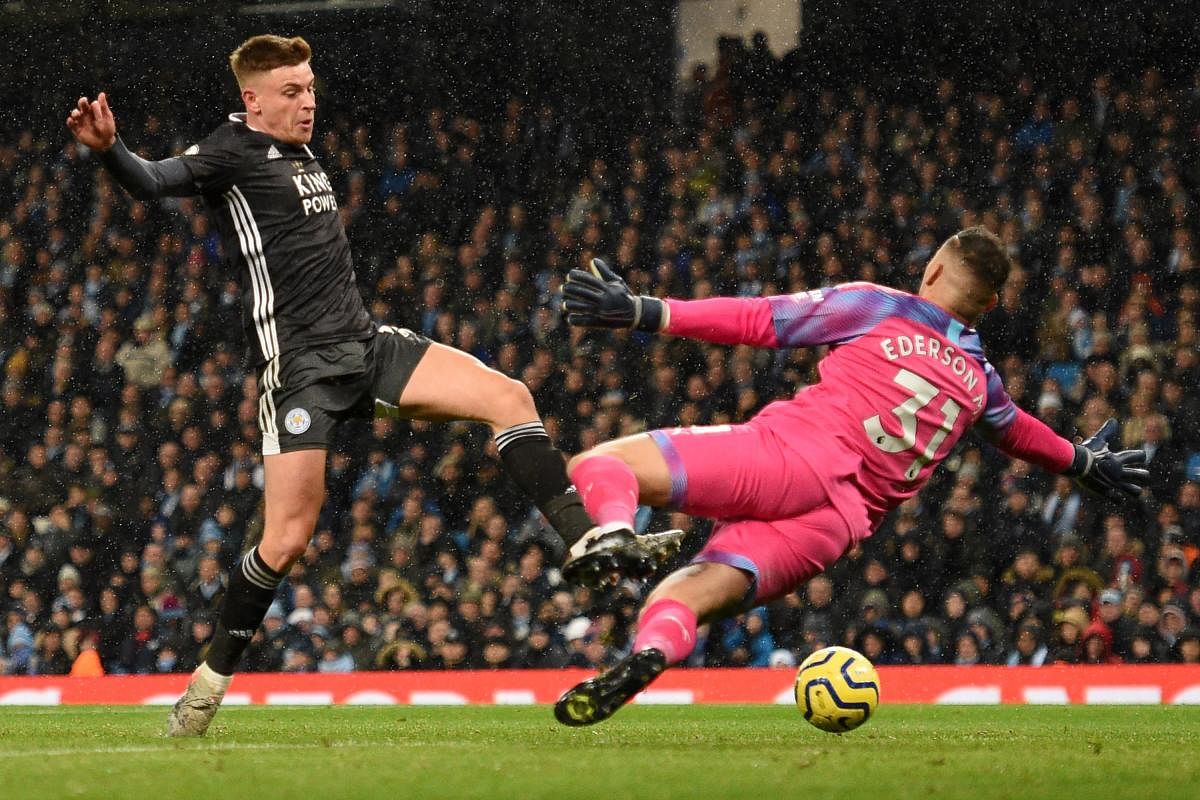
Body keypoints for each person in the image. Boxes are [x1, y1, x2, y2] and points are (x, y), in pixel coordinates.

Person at [66, 34, 680, 736]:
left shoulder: (299, 152)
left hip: (366, 346)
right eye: (292, 92)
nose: (307, 103)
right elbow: (151, 181)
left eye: (311, 88)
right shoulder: (228, 152)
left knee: (508, 397)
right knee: (286, 540)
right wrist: (110, 148)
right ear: (253, 100)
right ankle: (205, 688)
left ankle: (584, 543)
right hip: (301, 372)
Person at [552, 227, 1150, 725]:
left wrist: (643, 311)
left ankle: (613, 535)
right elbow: (1015, 429)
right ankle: (648, 654)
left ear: (935, 269)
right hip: (836, 525)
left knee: (596, 466)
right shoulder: (978, 380)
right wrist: (1083, 461)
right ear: (990, 304)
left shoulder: (884, 306)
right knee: (680, 596)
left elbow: (763, 320)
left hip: (789, 460)